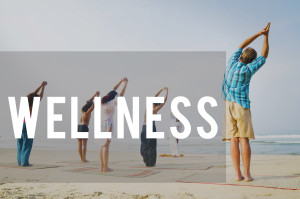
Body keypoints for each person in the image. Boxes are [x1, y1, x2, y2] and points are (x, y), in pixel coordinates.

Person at [222, 23, 270, 182]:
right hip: (241, 105)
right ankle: (247, 175)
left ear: (241, 55)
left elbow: (242, 44)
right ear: (251, 61)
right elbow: (264, 55)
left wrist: (258, 33)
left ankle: (237, 175)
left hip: (228, 105)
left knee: (233, 140)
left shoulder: (231, 63)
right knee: (244, 139)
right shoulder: (248, 70)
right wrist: (266, 37)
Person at [99, 78, 128, 172]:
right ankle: (105, 167)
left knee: (102, 145)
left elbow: (113, 90)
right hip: (108, 125)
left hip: (101, 124)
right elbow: (121, 94)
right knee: (106, 146)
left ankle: (102, 167)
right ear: (114, 97)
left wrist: (121, 81)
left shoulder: (103, 102)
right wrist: (125, 84)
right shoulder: (112, 103)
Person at [17, 81, 47, 166]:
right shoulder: (34, 105)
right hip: (27, 124)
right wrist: (43, 87)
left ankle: (20, 161)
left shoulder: (26, 102)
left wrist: (40, 86)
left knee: (20, 144)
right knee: (27, 144)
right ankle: (24, 162)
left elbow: (33, 94)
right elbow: (40, 96)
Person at [140, 87, 168, 167]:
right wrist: (166, 92)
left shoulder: (148, 106)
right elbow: (164, 102)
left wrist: (161, 90)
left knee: (144, 144)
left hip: (144, 127)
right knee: (152, 145)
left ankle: (146, 160)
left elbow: (155, 96)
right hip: (151, 127)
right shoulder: (155, 109)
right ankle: (151, 163)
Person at [77, 91, 100, 163]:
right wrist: (97, 97)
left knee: (79, 144)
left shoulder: (82, 110)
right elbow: (94, 105)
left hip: (78, 126)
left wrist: (94, 95)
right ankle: (84, 159)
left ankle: (81, 159)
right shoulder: (88, 112)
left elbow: (89, 102)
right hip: (84, 127)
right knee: (84, 144)